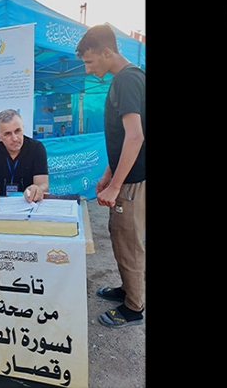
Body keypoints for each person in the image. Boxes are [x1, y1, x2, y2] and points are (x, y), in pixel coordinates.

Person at [75, 24, 146, 328]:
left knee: (128, 242)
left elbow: (135, 136)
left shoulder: (128, 79)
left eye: (90, 62)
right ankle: (127, 288)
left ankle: (134, 307)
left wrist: (116, 186)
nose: (88, 69)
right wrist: (108, 173)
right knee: (118, 235)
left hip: (131, 182)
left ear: (106, 52)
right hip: (124, 178)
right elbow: (120, 139)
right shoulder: (126, 78)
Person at [0, 109, 49, 204]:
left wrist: (37, 189)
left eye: (18, 131)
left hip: (29, 201)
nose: (15, 138)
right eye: (8, 134)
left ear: (23, 129)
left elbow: (43, 183)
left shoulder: (36, 148)